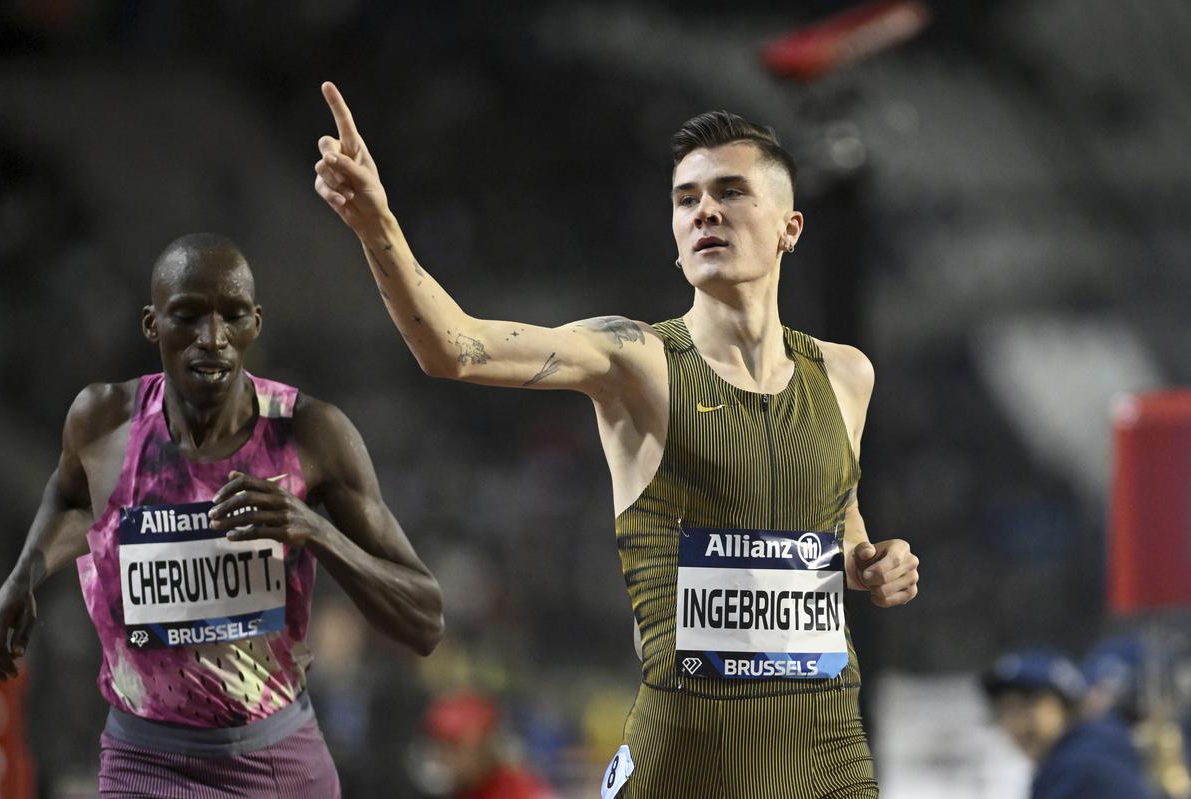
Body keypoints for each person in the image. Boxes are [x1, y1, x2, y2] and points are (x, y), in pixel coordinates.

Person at [312, 81, 919, 798]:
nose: (705, 212)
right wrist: (377, 224)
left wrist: (878, 563)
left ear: (790, 225)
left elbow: (836, 528)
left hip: (828, 759)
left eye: (729, 191)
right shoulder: (636, 360)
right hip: (688, 765)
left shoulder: (847, 375)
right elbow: (457, 347)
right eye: (686, 198)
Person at [0, 233, 444, 797]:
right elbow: (72, 500)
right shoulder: (103, 421)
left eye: (233, 317)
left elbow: (426, 620)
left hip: (276, 764)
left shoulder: (310, 433)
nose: (213, 339)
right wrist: (23, 573)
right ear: (152, 324)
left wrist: (317, 530)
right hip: (143, 763)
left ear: (255, 324)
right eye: (188, 316)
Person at [983, 649, 1159, 799]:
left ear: (1066, 706)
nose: (1018, 725)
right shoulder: (1098, 743)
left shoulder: (1077, 769)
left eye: (1028, 706)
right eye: (1006, 711)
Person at [415, 692, 557, 799]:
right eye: (441, 747)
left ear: (487, 745)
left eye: (455, 747)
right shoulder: (461, 791)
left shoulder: (524, 792)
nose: (446, 758)